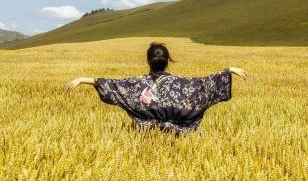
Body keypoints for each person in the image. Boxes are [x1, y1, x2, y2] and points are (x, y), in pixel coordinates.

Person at [65, 42, 247, 136]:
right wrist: (228, 70)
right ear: (167, 61)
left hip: (146, 134)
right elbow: (203, 83)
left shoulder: (137, 84)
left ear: (148, 61)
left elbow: (114, 84)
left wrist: (84, 79)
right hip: (181, 136)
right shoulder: (181, 83)